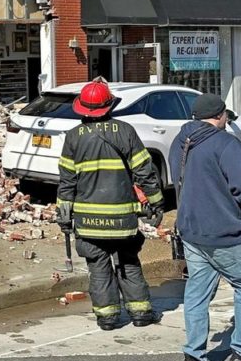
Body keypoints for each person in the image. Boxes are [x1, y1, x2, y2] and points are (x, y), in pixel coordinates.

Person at [169, 94, 241, 361]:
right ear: (220, 116)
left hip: (191, 230)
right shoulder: (226, 142)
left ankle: (194, 357)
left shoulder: (180, 141)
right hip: (225, 231)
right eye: (226, 116)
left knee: (197, 295)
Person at [56, 78, 164, 331]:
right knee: (128, 263)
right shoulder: (125, 131)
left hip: (88, 222)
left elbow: (66, 181)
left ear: (81, 108)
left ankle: (107, 318)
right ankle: (141, 314)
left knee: (99, 269)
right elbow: (145, 172)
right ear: (109, 107)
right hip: (122, 221)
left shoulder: (73, 138)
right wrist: (157, 204)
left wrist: (63, 215)